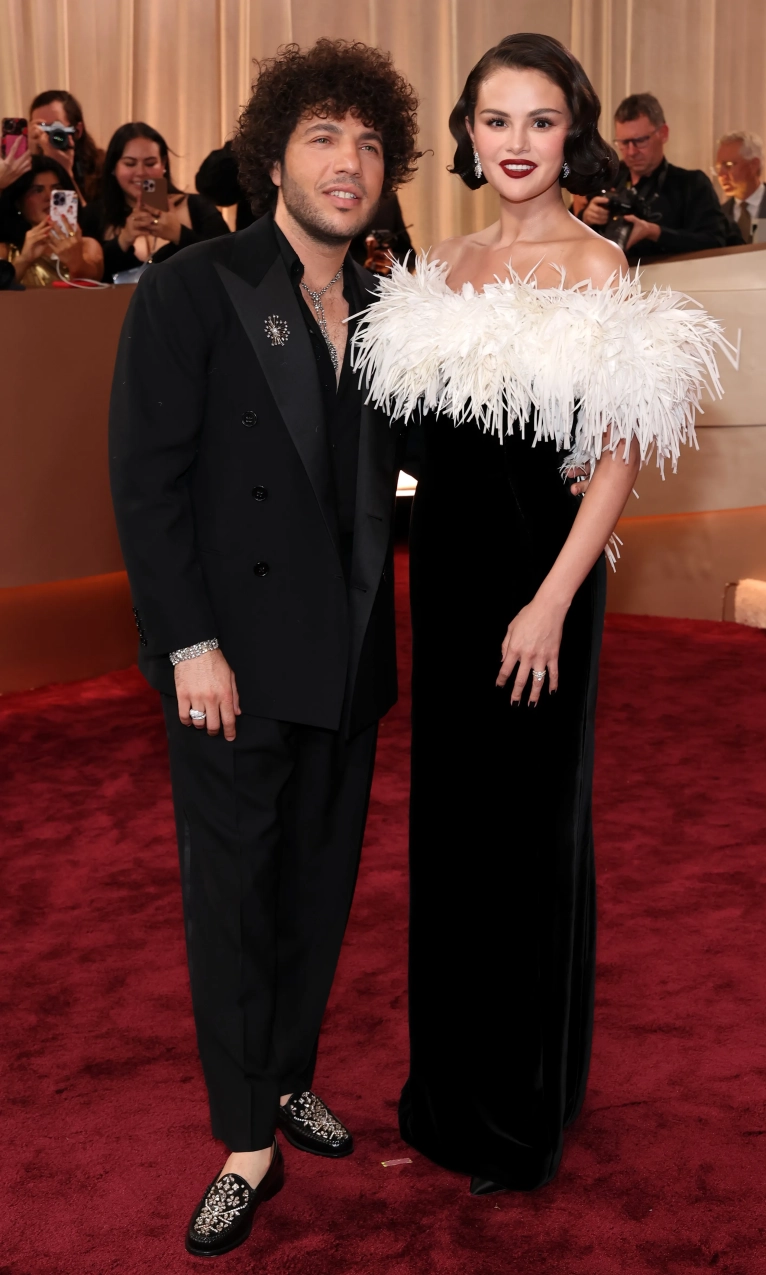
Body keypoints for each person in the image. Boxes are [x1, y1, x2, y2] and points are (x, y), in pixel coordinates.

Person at [352, 32, 724, 1195]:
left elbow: (616, 457)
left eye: (541, 120)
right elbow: (420, 444)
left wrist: (551, 603)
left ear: (573, 134)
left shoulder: (599, 267)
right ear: (469, 134)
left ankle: (519, 1115)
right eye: (496, 119)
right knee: (454, 832)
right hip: (449, 576)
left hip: (541, 581)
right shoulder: (440, 266)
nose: (517, 142)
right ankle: (447, 1095)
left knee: (529, 835)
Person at [109, 39, 420, 1256]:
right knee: (235, 901)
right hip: (228, 663)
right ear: (272, 155)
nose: (350, 163)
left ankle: (289, 1074)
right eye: (324, 136)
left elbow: (428, 466)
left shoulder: (390, 310)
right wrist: (187, 642)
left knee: (317, 890)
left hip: (349, 656)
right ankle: (247, 1142)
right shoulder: (195, 287)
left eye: (370, 142)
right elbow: (146, 485)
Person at [196, 138, 414, 269]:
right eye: (323, 140)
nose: (350, 163)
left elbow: (407, 255)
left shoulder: (383, 199)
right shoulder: (270, 168)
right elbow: (210, 185)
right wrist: (253, 139)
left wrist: (390, 262)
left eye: (368, 147)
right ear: (276, 167)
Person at [581, 92, 729, 262]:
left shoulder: (692, 185)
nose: (631, 152)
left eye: (640, 141)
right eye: (624, 143)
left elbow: (716, 242)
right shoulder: (606, 178)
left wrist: (654, 232)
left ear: (663, 133)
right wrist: (585, 218)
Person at [84, 122, 229, 280]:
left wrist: (179, 234)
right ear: (113, 167)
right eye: (130, 164)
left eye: (150, 163)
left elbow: (229, 262)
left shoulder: (198, 206)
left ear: (163, 164)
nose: (141, 172)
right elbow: (84, 276)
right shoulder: (94, 214)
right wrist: (123, 240)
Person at [0, 154, 103, 286]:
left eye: (57, 189)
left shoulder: (86, 246)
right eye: (37, 190)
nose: (50, 197)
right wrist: (24, 260)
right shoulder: (5, 250)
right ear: (18, 203)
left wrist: (76, 262)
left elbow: (94, 281)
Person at [28, 89, 104, 204]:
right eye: (42, 127)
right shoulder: (25, 168)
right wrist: (32, 161)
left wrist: (65, 173)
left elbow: (86, 216)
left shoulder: (101, 168)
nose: (48, 136)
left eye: (56, 128)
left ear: (77, 131)